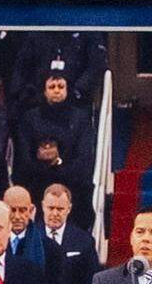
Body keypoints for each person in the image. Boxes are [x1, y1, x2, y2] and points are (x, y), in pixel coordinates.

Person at [13, 72, 95, 211]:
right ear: (44, 91)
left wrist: (59, 164)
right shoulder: (30, 118)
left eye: (61, 86)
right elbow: (24, 156)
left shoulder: (80, 119)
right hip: (37, 183)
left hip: (72, 184)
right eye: (52, 87)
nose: (57, 90)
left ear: (67, 90)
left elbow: (84, 156)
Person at [37, 184, 101, 284]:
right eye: (51, 208)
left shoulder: (84, 241)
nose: (55, 213)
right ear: (43, 206)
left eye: (60, 209)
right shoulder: (31, 238)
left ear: (69, 209)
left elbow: (91, 279)